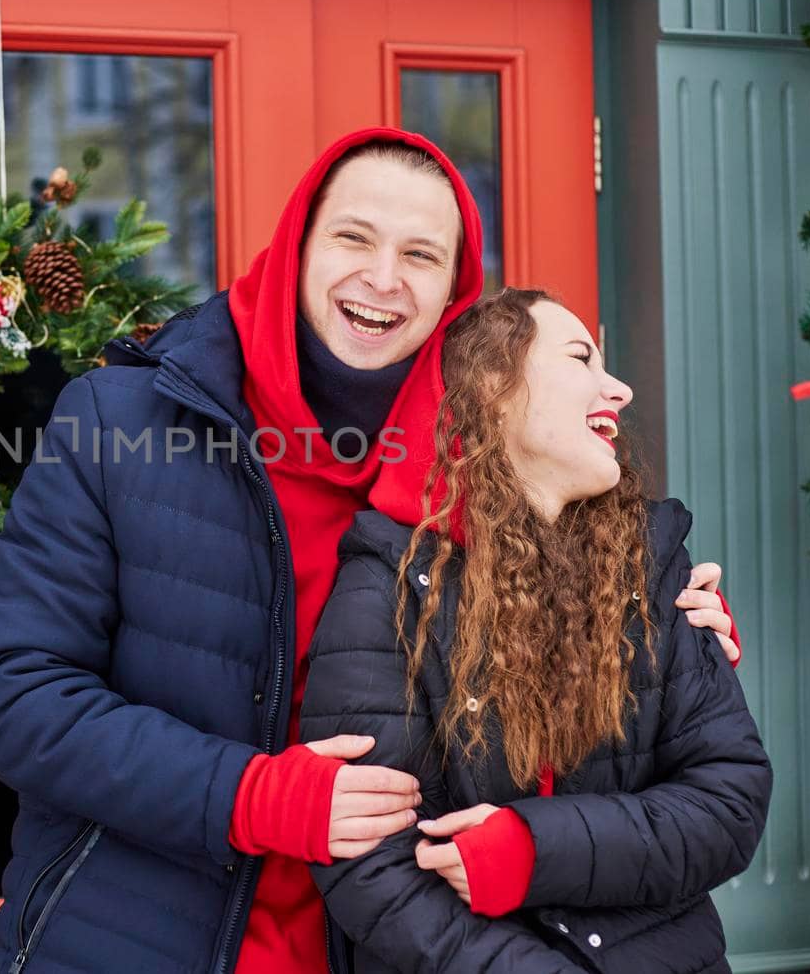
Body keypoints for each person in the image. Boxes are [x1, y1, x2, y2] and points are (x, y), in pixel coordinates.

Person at [0, 128, 741, 974]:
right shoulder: (119, 423)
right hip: (128, 941)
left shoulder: (480, 477)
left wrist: (657, 628)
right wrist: (247, 794)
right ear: (298, 245)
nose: (382, 278)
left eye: (420, 254)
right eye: (353, 238)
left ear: (453, 296)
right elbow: (17, 693)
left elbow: (566, 740)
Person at [301, 288, 772, 974]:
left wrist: (533, 849)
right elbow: (371, 867)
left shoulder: (654, 566)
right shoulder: (389, 583)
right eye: (582, 357)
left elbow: (728, 802)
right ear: (492, 387)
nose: (620, 388)